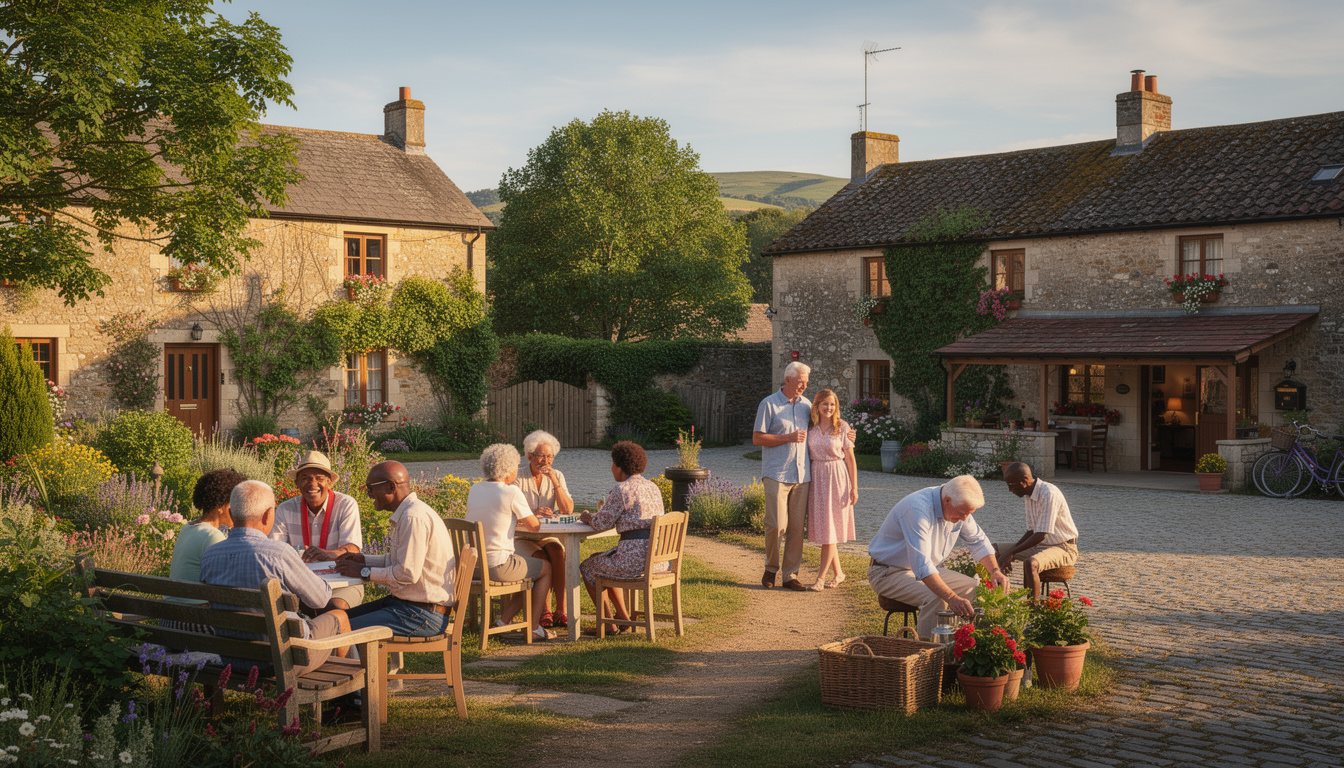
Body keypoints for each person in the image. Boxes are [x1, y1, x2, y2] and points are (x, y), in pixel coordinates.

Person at [199, 480, 350, 676]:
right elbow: (320, 600)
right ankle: (345, 690)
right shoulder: (279, 553)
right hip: (284, 660)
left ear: (231, 513)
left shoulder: (209, 555)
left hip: (233, 658)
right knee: (340, 617)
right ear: (268, 515)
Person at [867, 475, 1009, 640]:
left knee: (973, 587)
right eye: (962, 513)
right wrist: (951, 597)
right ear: (947, 500)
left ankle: (962, 643)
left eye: (968, 514)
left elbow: (979, 542)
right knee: (936, 598)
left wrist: (995, 571)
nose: (964, 518)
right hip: (887, 572)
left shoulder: (957, 504)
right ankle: (928, 651)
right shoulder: (917, 509)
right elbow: (922, 566)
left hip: (924, 569)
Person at [334, 461, 460, 638]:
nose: (369, 494)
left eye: (370, 488)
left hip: (422, 615)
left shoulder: (413, 518)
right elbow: (398, 561)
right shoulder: (410, 512)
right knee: (336, 620)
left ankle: (352, 657)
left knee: (338, 630)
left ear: (391, 487)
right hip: (409, 606)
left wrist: (363, 572)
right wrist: (363, 560)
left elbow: (407, 573)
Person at [463, 445, 554, 642]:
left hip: (472, 566)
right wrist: (533, 516)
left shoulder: (475, 488)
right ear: (508, 469)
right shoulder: (511, 492)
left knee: (527, 570)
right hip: (496, 567)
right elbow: (534, 527)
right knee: (545, 569)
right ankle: (534, 628)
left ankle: (503, 622)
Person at [579, 441, 666, 636]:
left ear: (620, 466)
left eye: (612, 464)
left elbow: (601, 523)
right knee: (597, 559)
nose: (611, 468)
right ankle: (623, 619)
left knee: (587, 567)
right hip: (657, 560)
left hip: (635, 562)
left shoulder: (622, 490)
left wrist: (587, 517)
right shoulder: (653, 487)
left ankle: (608, 624)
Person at [271, 450, 364, 610]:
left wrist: (328, 554)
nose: (312, 484)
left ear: (329, 482)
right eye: (305, 478)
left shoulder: (345, 504)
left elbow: (353, 549)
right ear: (297, 483)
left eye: (319, 478)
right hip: (300, 584)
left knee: (335, 606)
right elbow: (275, 550)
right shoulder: (285, 509)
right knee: (284, 606)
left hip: (341, 582)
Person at [753, 360, 813, 591]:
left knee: (797, 529)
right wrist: (788, 437)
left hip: (802, 475)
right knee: (776, 525)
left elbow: (824, 426)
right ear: (788, 380)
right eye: (800, 382)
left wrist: (846, 433)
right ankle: (771, 568)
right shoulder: (769, 404)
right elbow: (758, 438)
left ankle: (790, 576)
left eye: (806, 382)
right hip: (776, 473)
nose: (804, 386)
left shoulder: (807, 405)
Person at [512, 429, 571, 630]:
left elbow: (567, 510)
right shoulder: (518, 477)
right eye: (540, 456)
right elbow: (510, 512)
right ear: (529, 456)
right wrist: (532, 514)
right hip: (521, 537)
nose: (545, 461)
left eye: (550, 456)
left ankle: (561, 610)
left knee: (558, 552)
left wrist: (555, 482)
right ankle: (544, 611)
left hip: (546, 535)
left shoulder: (558, 475)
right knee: (540, 557)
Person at [995, 462, 1080, 600]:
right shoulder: (1029, 494)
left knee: (1030, 563)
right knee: (992, 550)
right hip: (1039, 546)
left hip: (1063, 547)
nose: (1010, 490)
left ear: (1024, 481)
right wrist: (1007, 553)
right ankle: (995, 601)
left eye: (1011, 485)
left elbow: (1041, 535)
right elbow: (1031, 531)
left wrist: (1011, 553)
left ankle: (1032, 607)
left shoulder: (1048, 493)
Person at [806, 389, 857, 591]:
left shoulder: (842, 427)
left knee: (829, 530)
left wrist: (855, 488)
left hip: (837, 478)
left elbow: (850, 458)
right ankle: (839, 573)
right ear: (817, 405)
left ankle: (820, 578)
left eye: (832, 404)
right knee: (829, 529)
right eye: (825, 404)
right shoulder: (810, 427)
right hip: (817, 478)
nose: (829, 408)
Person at [169, 468, 245, 584]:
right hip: (195, 596)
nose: (238, 509)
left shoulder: (188, 527)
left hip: (177, 595)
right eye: (234, 504)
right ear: (219, 506)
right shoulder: (213, 536)